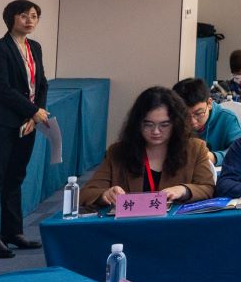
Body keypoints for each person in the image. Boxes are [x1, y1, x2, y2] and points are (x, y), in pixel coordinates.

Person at [82, 87, 216, 209]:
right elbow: (86, 193)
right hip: (131, 225)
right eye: (148, 124)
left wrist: (183, 190)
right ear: (137, 124)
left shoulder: (195, 148)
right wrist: (105, 194)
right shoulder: (118, 152)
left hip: (175, 225)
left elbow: (208, 188)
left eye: (164, 125)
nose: (156, 131)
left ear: (176, 124)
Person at [0, 0, 49, 257]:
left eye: (34, 16)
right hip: (4, 123)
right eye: (23, 16)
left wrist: (36, 115)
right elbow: (2, 89)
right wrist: (31, 110)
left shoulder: (35, 47)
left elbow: (42, 83)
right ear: (11, 18)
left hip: (28, 122)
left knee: (16, 177)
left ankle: (13, 232)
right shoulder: (0, 49)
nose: (29, 20)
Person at [173, 78, 241, 164]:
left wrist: (214, 157)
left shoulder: (227, 119)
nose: (193, 122)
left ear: (209, 103)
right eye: (185, 115)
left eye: (198, 113)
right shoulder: (173, 119)